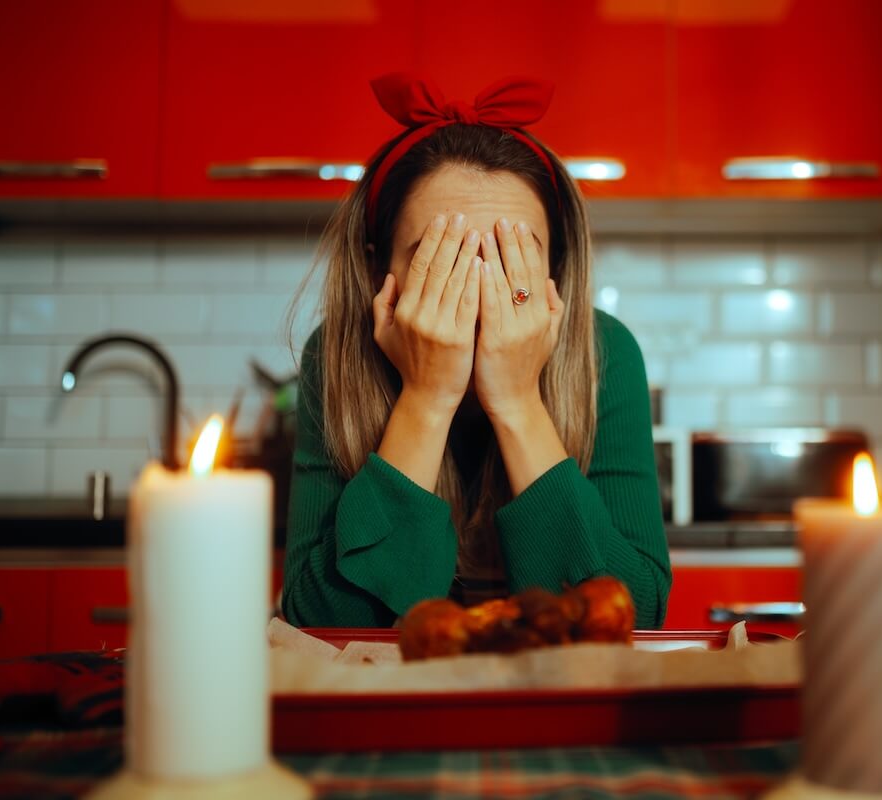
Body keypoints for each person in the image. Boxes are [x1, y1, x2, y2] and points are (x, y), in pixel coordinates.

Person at [281, 74, 671, 629]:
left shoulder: (604, 349)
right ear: (378, 269)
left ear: (555, 271)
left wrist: (517, 400)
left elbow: (635, 614)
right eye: (442, 260)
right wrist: (426, 399)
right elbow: (324, 624)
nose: (480, 291)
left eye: (512, 260)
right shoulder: (336, 353)